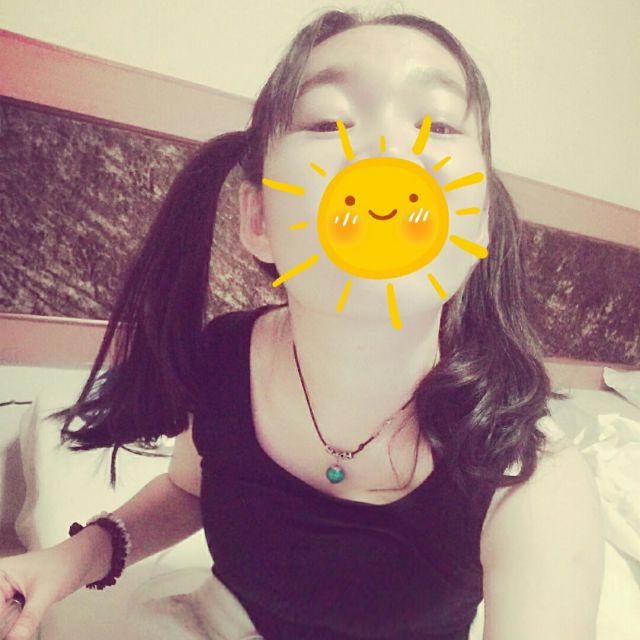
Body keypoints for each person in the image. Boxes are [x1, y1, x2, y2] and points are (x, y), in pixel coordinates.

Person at [0, 9, 604, 640]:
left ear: (478, 223)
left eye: (439, 124)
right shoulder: (225, 359)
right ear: (259, 218)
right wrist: (71, 560)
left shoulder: (530, 482)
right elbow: (190, 491)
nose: (388, 151)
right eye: (329, 122)